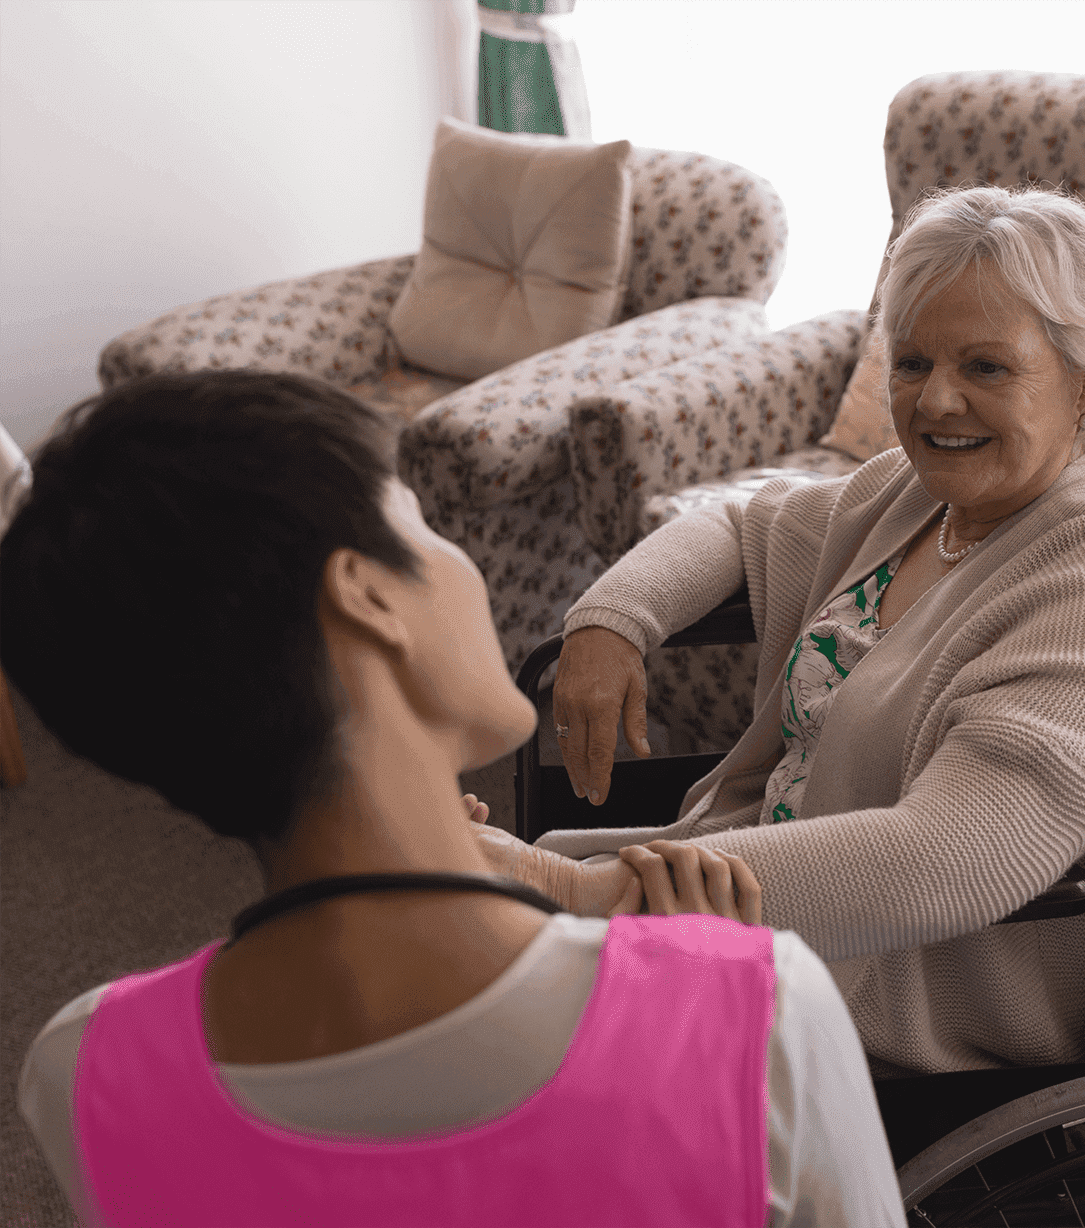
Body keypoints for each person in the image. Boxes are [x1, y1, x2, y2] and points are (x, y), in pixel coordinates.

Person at [5, 370, 906, 1227]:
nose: (462, 561)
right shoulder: (758, 1012)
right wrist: (706, 994)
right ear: (367, 595)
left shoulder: (80, 1071)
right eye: (425, 524)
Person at [478, 184, 1085, 1079]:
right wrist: (610, 622)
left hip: (889, 1015)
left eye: (987, 368)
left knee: (477, 1020)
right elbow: (734, 528)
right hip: (744, 921)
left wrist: (586, 894)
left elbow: (951, 857)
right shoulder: (914, 499)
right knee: (438, 936)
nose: (937, 401)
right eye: (911, 363)